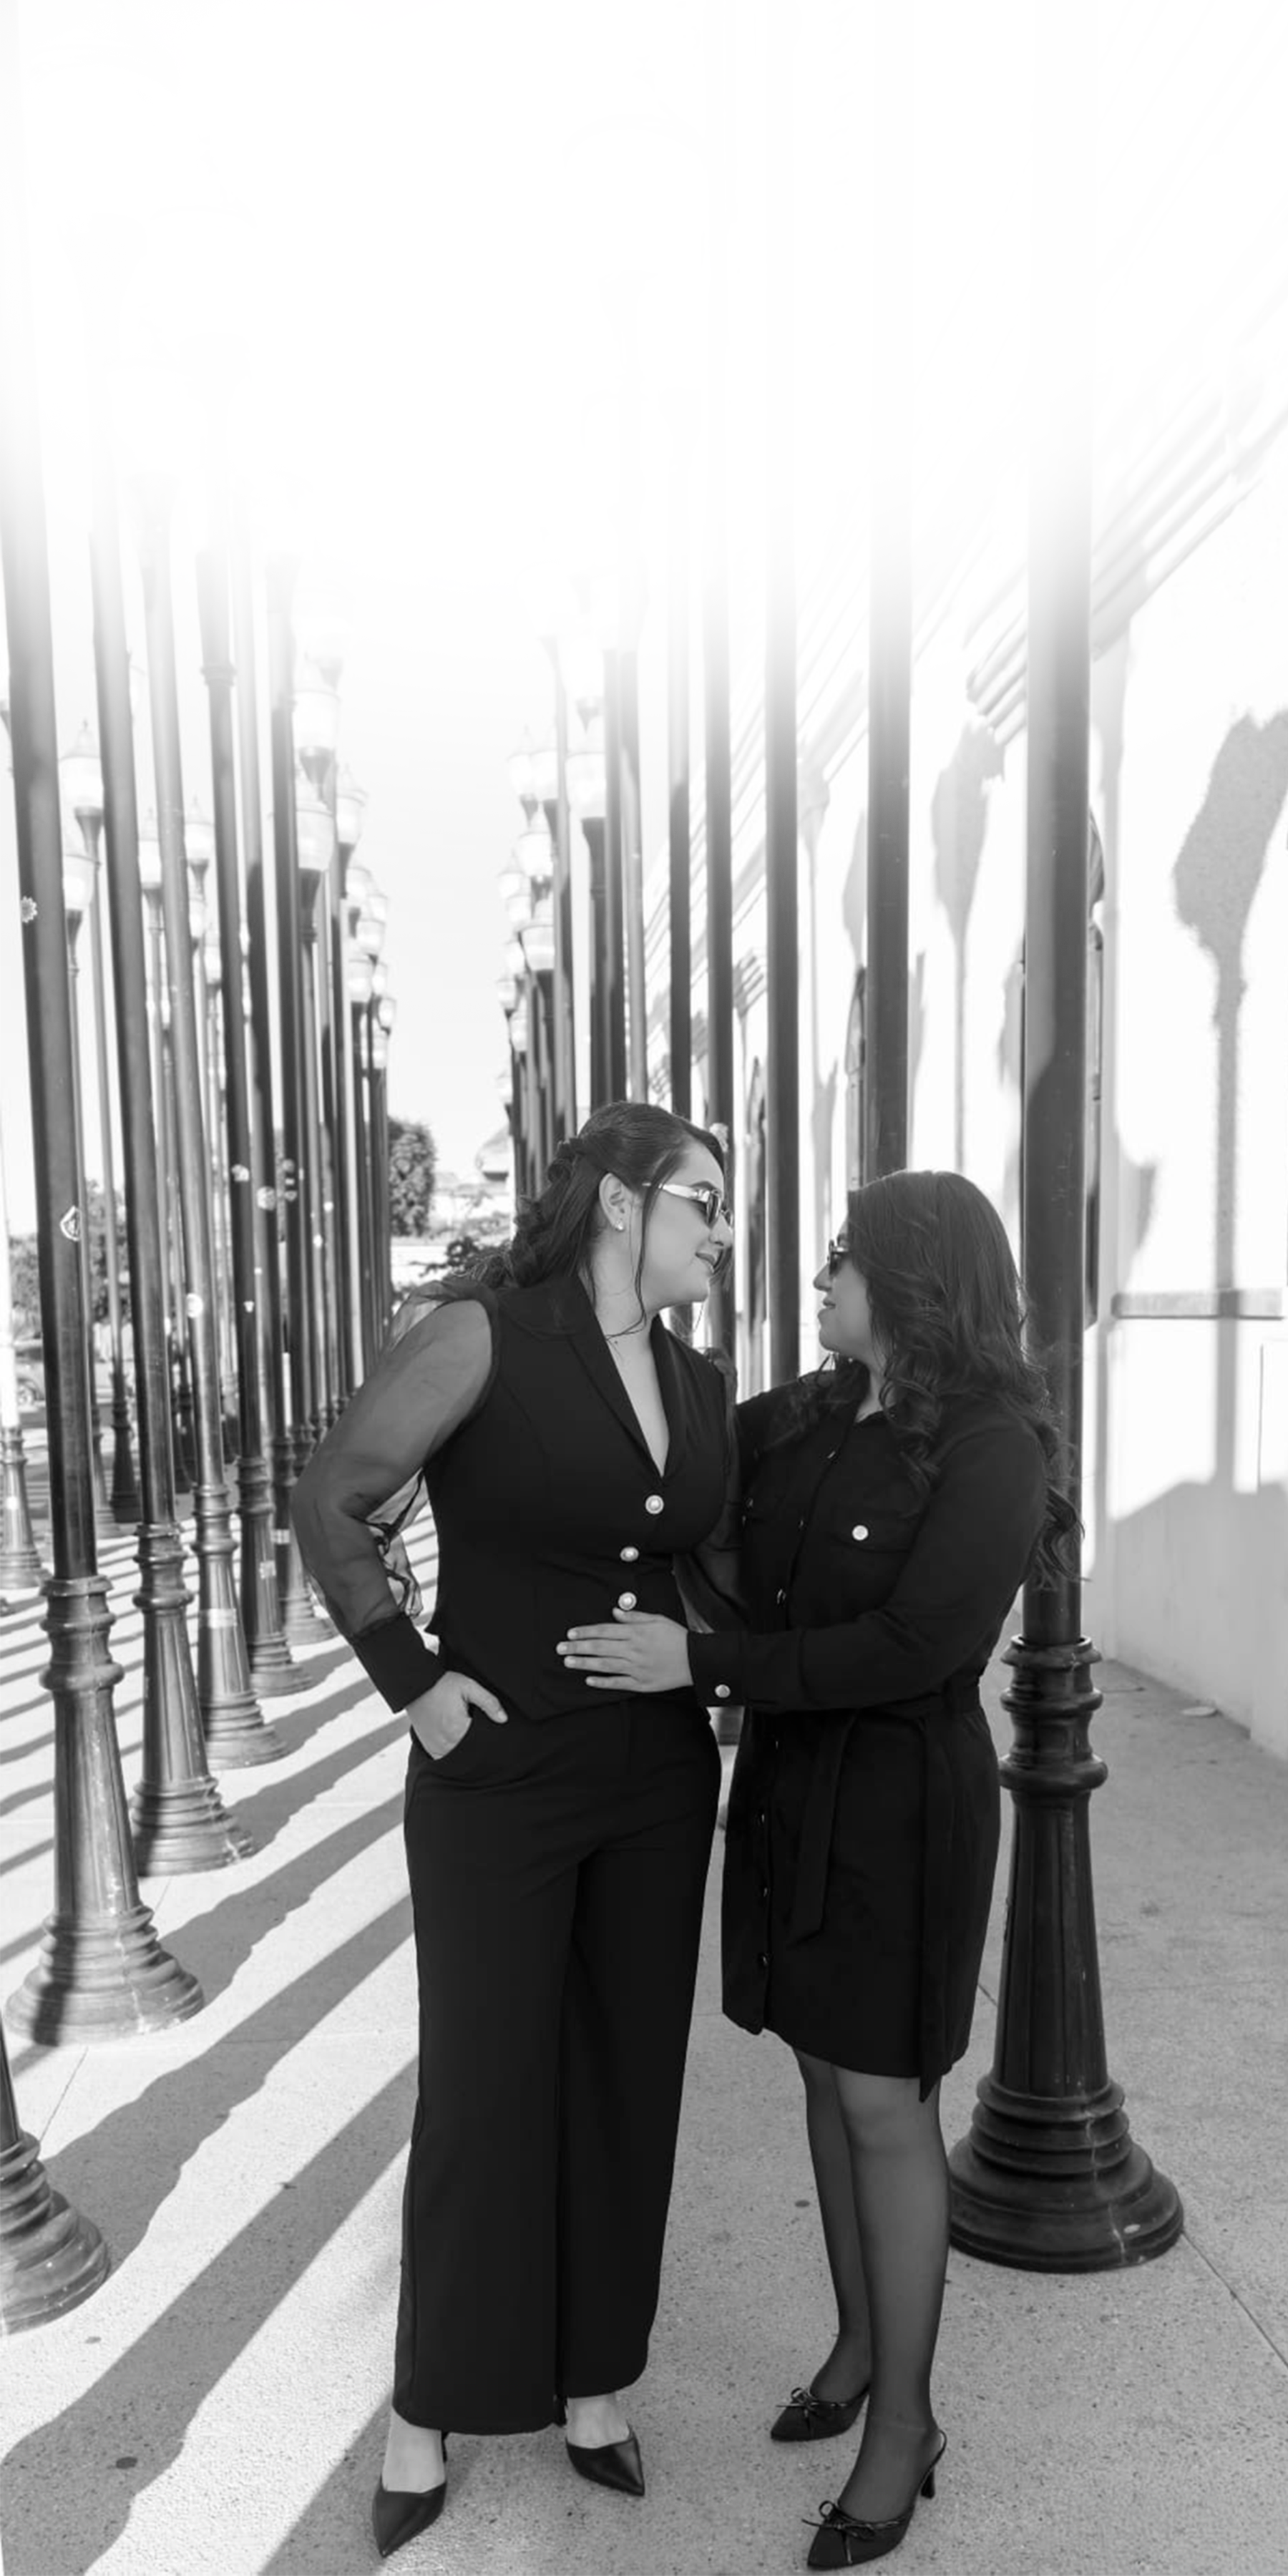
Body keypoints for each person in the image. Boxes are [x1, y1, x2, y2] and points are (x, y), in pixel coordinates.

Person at [557, 1169, 1078, 2569]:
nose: (822, 1277)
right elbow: (677, 1464)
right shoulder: (809, 1412)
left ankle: (905, 2425)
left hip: (903, 1800)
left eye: (846, 1259)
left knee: (885, 2103)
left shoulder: (992, 1443)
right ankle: (857, 2349)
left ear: (912, 1283)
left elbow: (919, 1644)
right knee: (824, 2078)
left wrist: (704, 1663)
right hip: (794, 1787)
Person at [292, 1101, 738, 2561]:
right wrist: (415, 1687)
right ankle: (431, 2408)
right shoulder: (483, 1337)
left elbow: (712, 1564)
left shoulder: (700, 1379)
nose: (720, 1231)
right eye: (703, 1201)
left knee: (626, 2086)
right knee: (485, 2093)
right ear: (619, 1202)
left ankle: (595, 2384)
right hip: (499, 1779)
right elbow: (334, 1501)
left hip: (655, 1786)